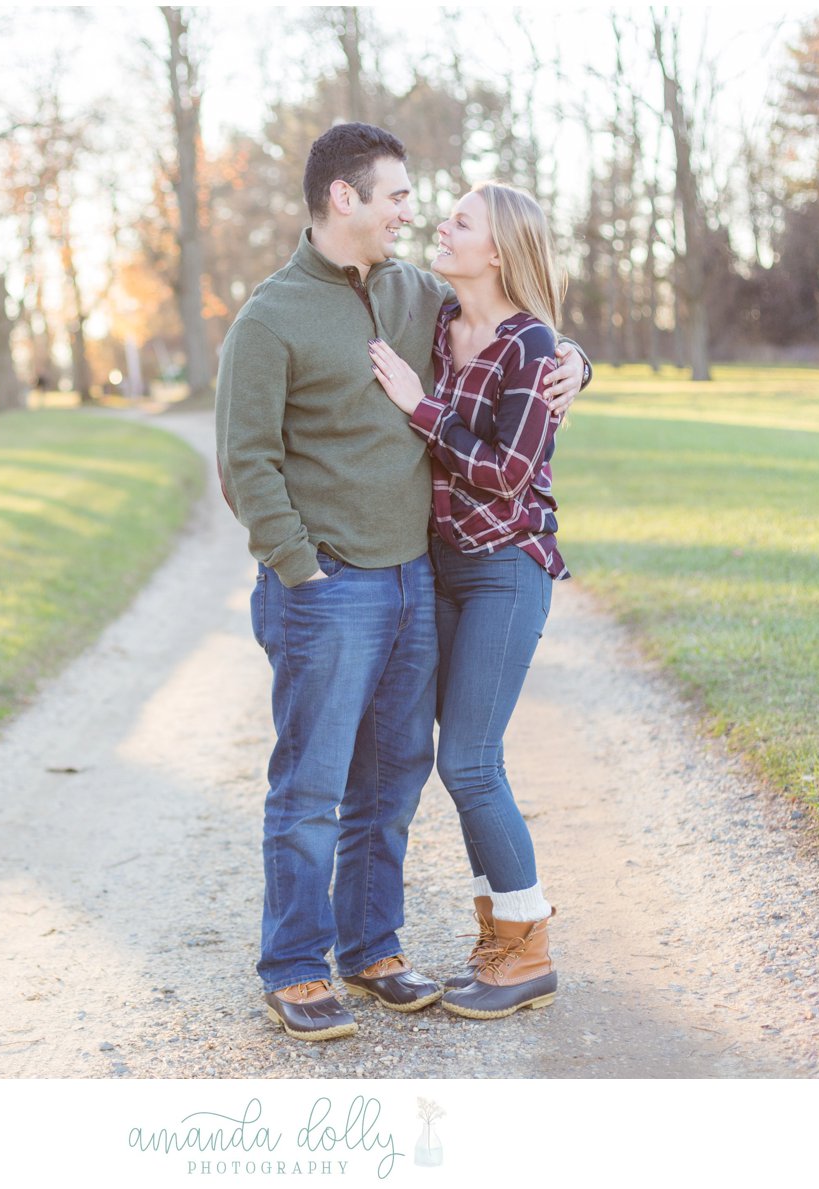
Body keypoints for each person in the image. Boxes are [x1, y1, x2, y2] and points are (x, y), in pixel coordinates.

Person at [215, 123, 589, 1042]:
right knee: (311, 787)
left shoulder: (412, 291)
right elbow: (246, 463)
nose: (411, 215)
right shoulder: (270, 318)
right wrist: (300, 566)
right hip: (327, 586)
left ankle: (371, 947)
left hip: (415, 579)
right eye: (396, 198)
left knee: (395, 779)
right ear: (344, 198)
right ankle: (296, 967)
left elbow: (517, 323)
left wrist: (579, 362)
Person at [366, 181, 571, 1019]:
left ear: (497, 252)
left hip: (504, 568)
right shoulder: (438, 326)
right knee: (463, 760)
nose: (439, 229)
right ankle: (499, 937)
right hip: (441, 565)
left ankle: (528, 951)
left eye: (459, 223)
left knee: (469, 762)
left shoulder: (530, 346)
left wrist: (418, 407)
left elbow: (503, 472)